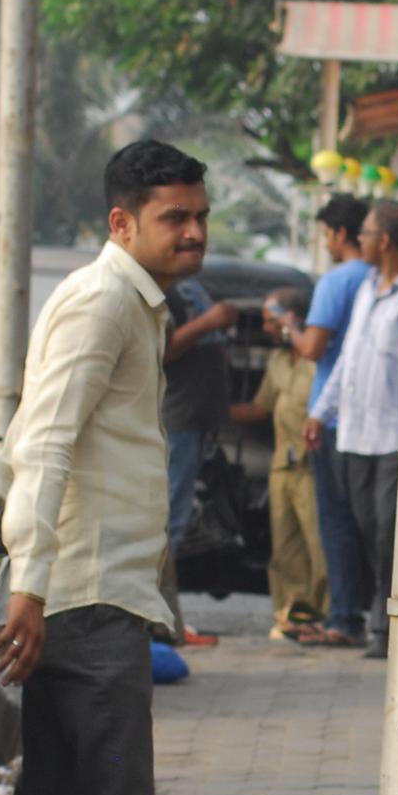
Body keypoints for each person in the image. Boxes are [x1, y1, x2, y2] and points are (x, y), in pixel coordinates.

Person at [0, 138, 210, 795]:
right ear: (123, 223)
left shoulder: (127, 302)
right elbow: (43, 444)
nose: (194, 232)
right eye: (175, 218)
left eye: (199, 215)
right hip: (85, 604)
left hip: (82, 596)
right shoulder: (106, 299)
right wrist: (29, 586)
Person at [307, 198, 398, 660]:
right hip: (354, 432)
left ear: (384, 241)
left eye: (366, 233)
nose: (361, 240)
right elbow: (349, 358)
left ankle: (386, 626)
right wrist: (321, 412)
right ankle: (380, 617)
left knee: (390, 531)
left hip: (394, 436)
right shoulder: (368, 287)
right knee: (365, 527)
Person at [290, 194, 371, 648]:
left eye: (326, 235)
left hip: (334, 415)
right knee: (365, 520)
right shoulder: (380, 281)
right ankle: (361, 611)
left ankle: (344, 616)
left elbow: (313, 348)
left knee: (337, 519)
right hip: (368, 417)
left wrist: (286, 327)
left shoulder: (338, 281)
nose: (326, 243)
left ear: (340, 234)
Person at [231, 289, 327, 638]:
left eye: (273, 320)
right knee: (284, 545)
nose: (267, 327)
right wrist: (215, 412)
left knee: (318, 545)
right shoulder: (278, 362)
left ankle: (322, 613)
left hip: (312, 464)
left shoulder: (320, 360)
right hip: (281, 466)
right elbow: (261, 408)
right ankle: (290, 613)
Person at [159, 275, 236, 648]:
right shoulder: (164, 291)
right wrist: (209, 322)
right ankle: (164, 621)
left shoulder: (190, 287)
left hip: (194, 421)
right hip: (178, 421)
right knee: (168, 523)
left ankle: (166, 620)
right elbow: (165, 348)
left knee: (175, 520)